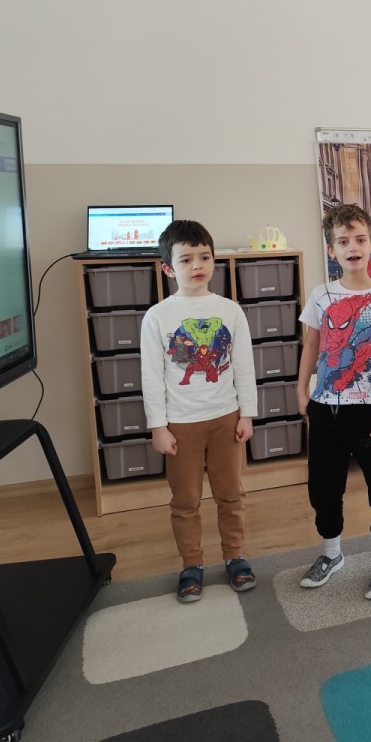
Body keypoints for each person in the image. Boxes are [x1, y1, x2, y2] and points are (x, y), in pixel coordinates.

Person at [295, 204, 371, 598]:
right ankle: (332, 554)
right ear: (332, 250)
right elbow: (311, 345)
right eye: (343, 241)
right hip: (325, 409)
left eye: (360, 239)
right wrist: (301, 390)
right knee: (323, 488)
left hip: (369, 413)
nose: (353, 247)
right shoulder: (321, 295)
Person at [141, 220, 258, 603]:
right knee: (186, 501)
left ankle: (235, 556)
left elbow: (243, 366)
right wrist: (158, 426)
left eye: (205, 257)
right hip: (180, 424)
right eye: (186, 259)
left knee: (231, 494)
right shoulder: (157, 316)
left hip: (226, 418)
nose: (197, 265)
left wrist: (247, 414)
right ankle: (191, 564)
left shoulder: (230, 311)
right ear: (168, 268)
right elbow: (151, 377)